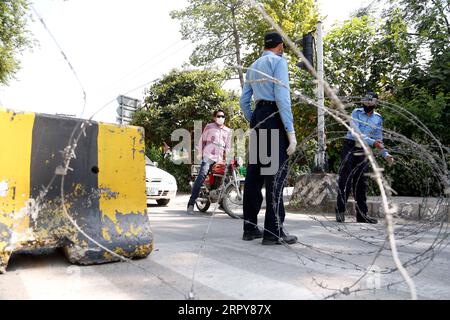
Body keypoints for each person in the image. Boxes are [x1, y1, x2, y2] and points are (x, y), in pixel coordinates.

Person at [239, 31, 298, 245]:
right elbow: (283, 98)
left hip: (259, 118)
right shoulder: (278, 62)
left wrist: (254, 119)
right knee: (274, 176)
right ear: (280, 45)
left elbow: (243, 101)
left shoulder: (252, 66)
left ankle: (250, 228)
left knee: (254, 176)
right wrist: (290, 133)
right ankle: (273, 232)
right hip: (273, 118)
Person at [336, 91, 395, 224]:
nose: (368, 103)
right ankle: (340, 211)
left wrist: (386, 154)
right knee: (346, 178)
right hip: (350, 146)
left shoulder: (378, 119)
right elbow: (357, 133)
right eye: (366, 100)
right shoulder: (355, 113)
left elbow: (379, 140)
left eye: (371, 100)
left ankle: (362, 215)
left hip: (363, 149)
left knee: (361, 182)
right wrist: (373, 142)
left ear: (376, 102)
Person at [187, 109, 232, 214]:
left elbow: (228, 147)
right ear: (214, 117)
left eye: (222, 116)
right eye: (218, 116)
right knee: (202, 175)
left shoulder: (228, 131)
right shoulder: (209, 126)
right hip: (208, 156)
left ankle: (222, 203)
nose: (221, 118)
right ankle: (191, 203)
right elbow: (202, 141)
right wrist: (200, 153)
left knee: (226, 178)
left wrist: (229, 158)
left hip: (220, 159)